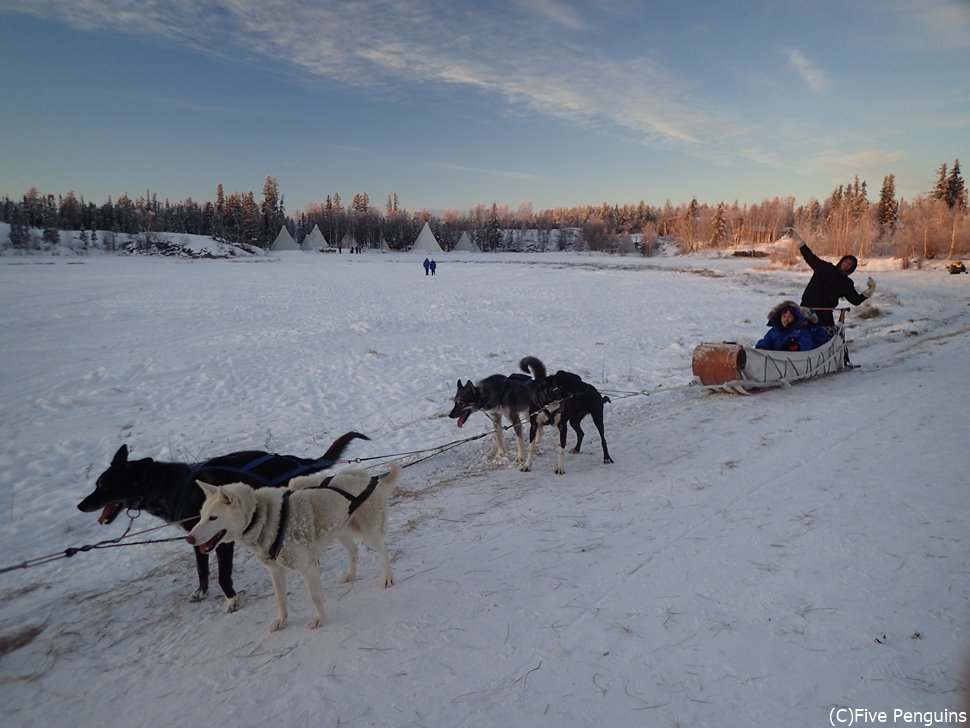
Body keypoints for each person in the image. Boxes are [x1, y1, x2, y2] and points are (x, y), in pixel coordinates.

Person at [786, 228, 875, 327]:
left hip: (825, 314)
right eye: (846, 261)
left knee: (824, 336)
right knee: (799, 332)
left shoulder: (847, 283)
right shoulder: (825, 267)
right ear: (841, 261)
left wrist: (869, 291)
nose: (846, 264)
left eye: (850, 264)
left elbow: (855, 300)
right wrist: (798, 240)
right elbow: (809, 256)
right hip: (807, 308)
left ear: (851, 268)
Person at [755, 301, 820, 352]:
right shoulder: (774, 331)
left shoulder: (801, 331)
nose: (786, 319)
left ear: (794, 319)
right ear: (780, 318)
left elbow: (806, 343)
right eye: (784, 316)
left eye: (790, 316)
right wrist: (762, 347)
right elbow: (766, 341)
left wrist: (796, 347)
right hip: (774, 358)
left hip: (793, 360)